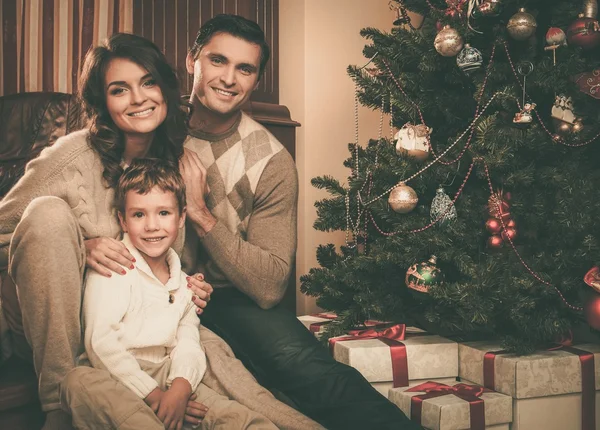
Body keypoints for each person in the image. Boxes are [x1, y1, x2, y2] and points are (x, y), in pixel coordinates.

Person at [0, 32, 320, 430]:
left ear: (166, 90)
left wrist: (192, 282)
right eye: (120, 89)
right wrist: (81, 246)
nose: (138, 99)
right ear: (103, 101)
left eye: (148, 82)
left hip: (149, 323)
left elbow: (173, 259)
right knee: (47, 214)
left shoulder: (180, 162)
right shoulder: (69, 156)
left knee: (246, 395)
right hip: (72, 324)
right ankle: (58, 406)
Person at [181, 14, 422, 430]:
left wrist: (202, 215)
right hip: (153, 291)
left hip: (234, 295)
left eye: (245, 68)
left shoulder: (271, 160)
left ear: (256, 79)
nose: (229, 78)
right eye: (218, 60)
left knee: (308, 370)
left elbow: (271, 283)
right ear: (192, 60)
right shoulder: (149, 126)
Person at [60, 159, 277, 430]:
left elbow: (188, 343)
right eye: (139, 215)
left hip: (168, 374)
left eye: (163, 213)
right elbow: (101, 345)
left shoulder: (185, 284)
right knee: (77, 382)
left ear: (182, 217)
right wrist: (155, 397)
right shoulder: (113, 268)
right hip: (117, 376)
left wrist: (179, 390)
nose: (152, 226)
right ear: (123, 221)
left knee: (240, 419)